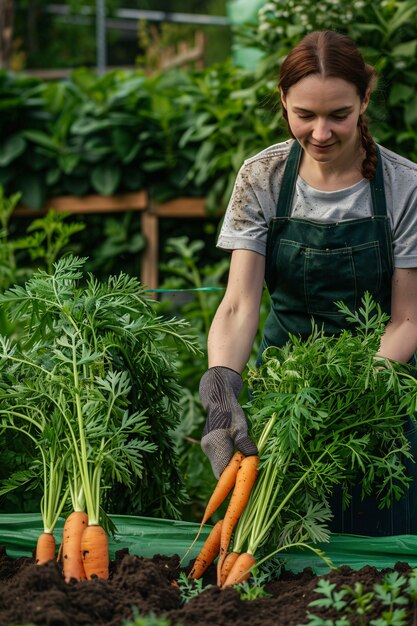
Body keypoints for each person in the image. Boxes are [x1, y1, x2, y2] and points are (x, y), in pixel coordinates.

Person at [198, 30, 417, 536]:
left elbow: (408, 318)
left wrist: (353, 393)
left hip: (378, 396)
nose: (320, 132)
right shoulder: (263, 178)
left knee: (383, 555)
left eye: (338, 114)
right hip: (285, 392)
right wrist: (221, 385)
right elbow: (237, 304)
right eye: (305, 115)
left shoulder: (404, 188)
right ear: (283, 102)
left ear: (364, 100)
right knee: (274, 542)